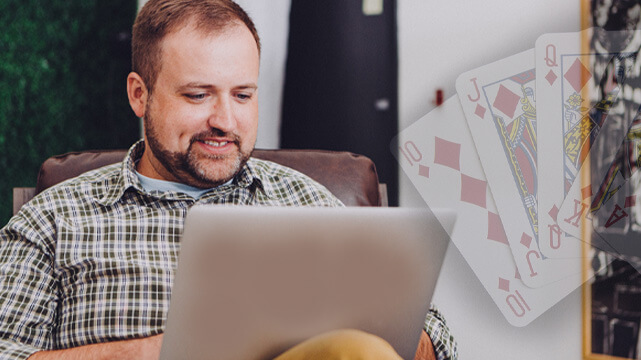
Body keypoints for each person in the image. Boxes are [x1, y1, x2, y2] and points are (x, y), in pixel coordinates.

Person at [0, 0, 457, 359]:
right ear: (140, 95)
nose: (225, 119)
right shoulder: (54, 220)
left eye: (243, 95)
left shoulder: (305, 202)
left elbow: (436, 339)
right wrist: (162, 352)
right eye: (198, 95)